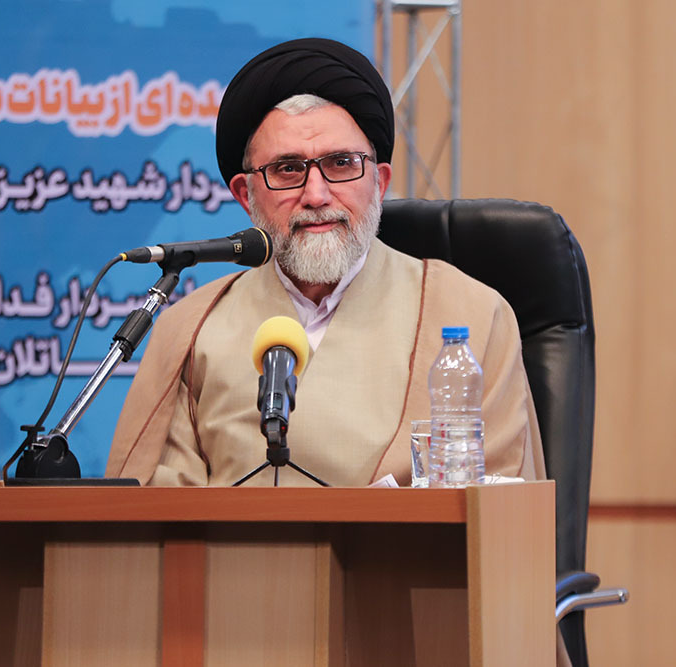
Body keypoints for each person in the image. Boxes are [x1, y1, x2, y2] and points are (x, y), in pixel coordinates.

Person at [105, 37, 546, 489]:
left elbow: (500, 510)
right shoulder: (189, 330)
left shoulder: (473, 315)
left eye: (341, 163)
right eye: (287, 169)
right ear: (245, 195)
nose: (316, 195)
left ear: (379, 183)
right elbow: (156, 513)